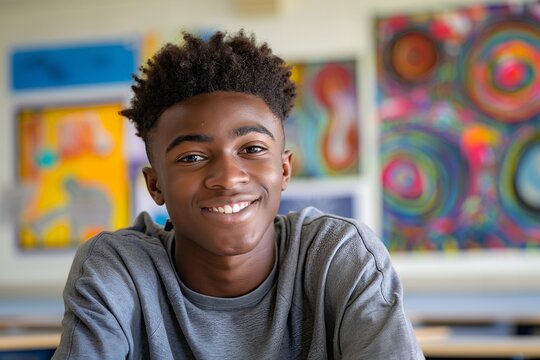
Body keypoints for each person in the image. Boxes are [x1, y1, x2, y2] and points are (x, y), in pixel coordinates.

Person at [53, 30, 424, 359]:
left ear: (283, 170)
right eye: (192, 157)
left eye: (252, 149)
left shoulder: (338, 256)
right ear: (156, 186)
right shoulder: (119, 270)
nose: (228, 178)